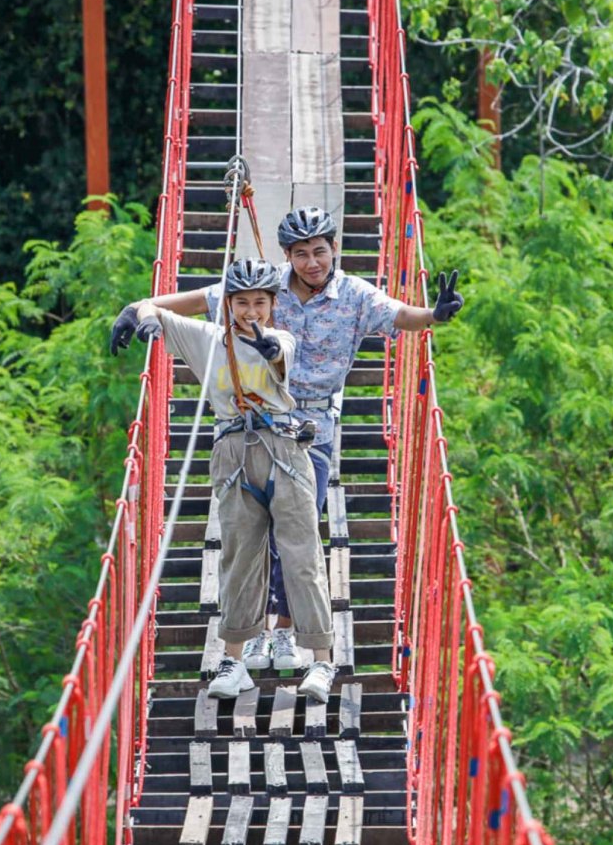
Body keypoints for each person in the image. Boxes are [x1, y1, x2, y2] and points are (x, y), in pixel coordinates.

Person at [111, 206, 466, 670]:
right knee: (254, 535)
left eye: (320, 251)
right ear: (288, 256)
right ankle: (256, 635)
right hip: (254, 425)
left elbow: (400, 315)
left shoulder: (355, 296)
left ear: (335, 249)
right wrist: (143, 306)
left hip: (312, 425)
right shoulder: (266, 288)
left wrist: (434, 315)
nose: (312, 262)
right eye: (302, 254)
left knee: (297, 528)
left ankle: (281, 630)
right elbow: (204, 301)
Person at [111, 259, 340, 702]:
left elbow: (277, 353)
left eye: (260, 302)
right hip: (233, 452)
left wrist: (267, 344)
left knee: (301, 555)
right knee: (238, 558)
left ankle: (321, 662)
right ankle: (234, 661)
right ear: (227, 304)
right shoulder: (206, 339)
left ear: (273, 305)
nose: (251, 311)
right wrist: (140, 320)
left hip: (284, 450)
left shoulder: (283, 337)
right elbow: (150, 308)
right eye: (242, 302)